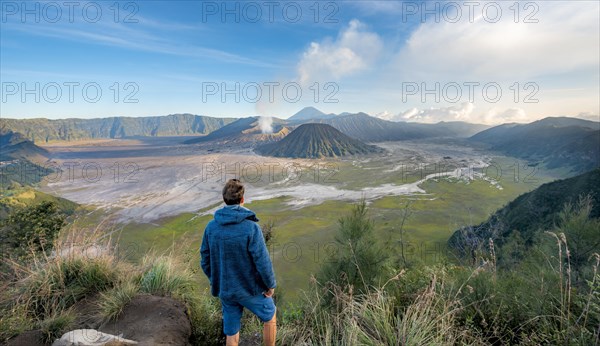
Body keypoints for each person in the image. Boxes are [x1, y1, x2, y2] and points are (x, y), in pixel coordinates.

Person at [201, 179, 277, 346]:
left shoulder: (211, 227)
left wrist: (217, 280)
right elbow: (262, 261)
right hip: (249, 289)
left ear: (224, 199)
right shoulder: (251, 228)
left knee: (232, 333)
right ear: (242, 200)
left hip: (226, 290)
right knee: (270, 316)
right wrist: (270, 285)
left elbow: (204, 259)